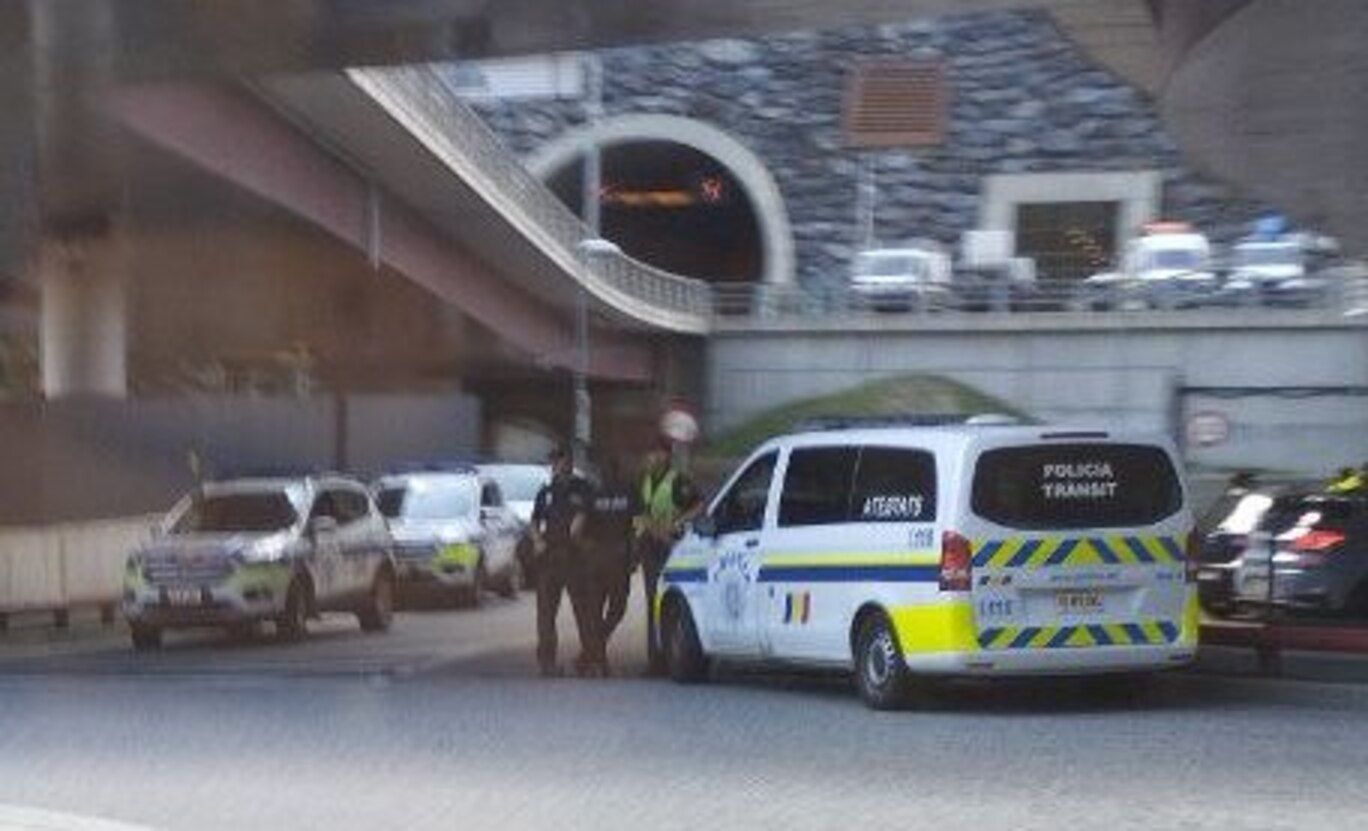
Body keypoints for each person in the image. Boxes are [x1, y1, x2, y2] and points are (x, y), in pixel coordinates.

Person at [632, 438, 702, 675]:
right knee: (653, 601)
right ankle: (655, 659)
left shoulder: (678, 480)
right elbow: (639, 513)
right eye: (650, 454)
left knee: (671, 600)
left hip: (671, 547)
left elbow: (698, 504)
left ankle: (670, 654)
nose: (652, 458)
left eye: (656, 453)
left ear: (666, 456)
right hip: (650, 547)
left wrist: (678, 522)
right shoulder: (644, 480)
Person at [529, 445, 599, 678]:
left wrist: (581, 524)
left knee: (584, 611)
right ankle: (547, 662)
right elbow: (534, 521)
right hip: (550, 558)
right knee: (546, 613)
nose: (560, 464)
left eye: (564, 460)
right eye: (556, 461)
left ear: (570, 462)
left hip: (575, 558)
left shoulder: (583, 488)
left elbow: (588, 513)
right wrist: (537, 540)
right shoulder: (546, 492)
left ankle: (589, 660)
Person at [586, 455, 637, 675]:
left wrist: (586, 551)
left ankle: (594, 654)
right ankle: (597, 654)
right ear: (619, 472)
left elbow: (581, 527)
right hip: (619, 558)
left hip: (597, 558)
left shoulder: (593, 495)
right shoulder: (629, 493)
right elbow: (637, 525)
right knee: (618, 607)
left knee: (596, 610)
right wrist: (634, 556)